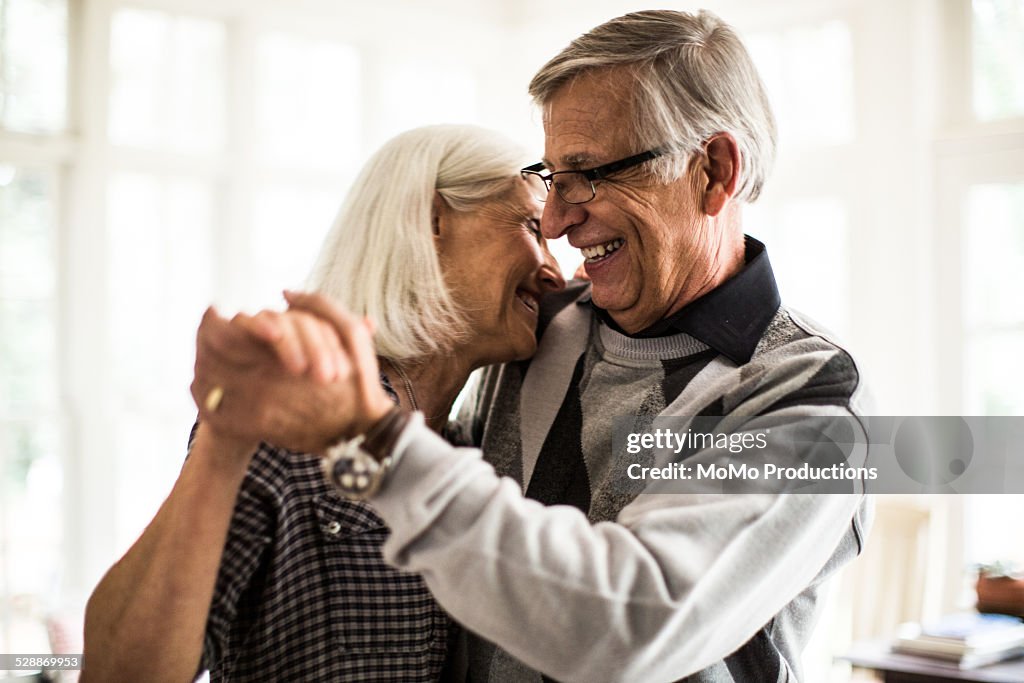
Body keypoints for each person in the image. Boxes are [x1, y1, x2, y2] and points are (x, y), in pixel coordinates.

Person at [190, 9, 874, 683]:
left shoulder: (814, 405)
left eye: (588, 174)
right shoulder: (544, 327)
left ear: (715, 169)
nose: (555, 220)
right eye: (551, 178)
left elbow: (626, 628)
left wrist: (373, 439)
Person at [80, 124, 566, 682]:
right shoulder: (292, 422)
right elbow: (118, 673)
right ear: (433, 220)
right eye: (533, 227)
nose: (554, 271)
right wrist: (225, 437)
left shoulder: (467, 451)